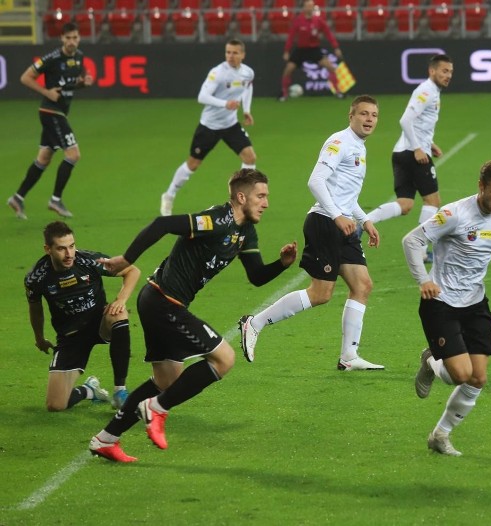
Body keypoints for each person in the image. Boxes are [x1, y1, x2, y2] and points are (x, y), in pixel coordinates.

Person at [89, 169, 298, 463]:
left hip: (160, 301)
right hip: (164, 301)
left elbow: (256, 276)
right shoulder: (215, 220)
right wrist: (127, 259)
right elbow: (162, 224)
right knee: (224, 359)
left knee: (165, 381)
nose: (266, 203)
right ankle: (157, 409)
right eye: (260, 196)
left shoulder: (246, 231)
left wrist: (282, 264)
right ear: (241, 197)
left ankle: (106, 440)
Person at [239, 95, 384, 371]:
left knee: (362, 285)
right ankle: (254, 323)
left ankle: (349, 357)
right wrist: (337, 215)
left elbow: (346, 193)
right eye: (363, 114)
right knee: (321, 293)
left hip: (345, 225)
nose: (369, 120)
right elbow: (315, 181)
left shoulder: (359, 147)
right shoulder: (339, 142)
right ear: (350, 116)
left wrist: (364, 220)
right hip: (325, 222)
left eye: (374, 115)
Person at [402, 159, 491, 456]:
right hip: (440, 302)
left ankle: (440, 435)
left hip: (475, 303)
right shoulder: (454, 214)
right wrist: (423, 280)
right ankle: (431, 361)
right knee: (459, 374)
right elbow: (412, 241)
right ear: (480, 186)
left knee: (478, 377)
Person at [25, 221, 140, 412]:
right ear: (48, 249)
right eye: (61, 249)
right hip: (71, 337)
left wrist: (121, 299)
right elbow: (35, 308)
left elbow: (132, 271)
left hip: (100, 322)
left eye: (72, 246)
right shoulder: (36, 278)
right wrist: (39, 338)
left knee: (119, 314)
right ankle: (89, 390)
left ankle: (120, 391)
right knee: (55, 405)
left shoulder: (88, 261)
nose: (69, 254)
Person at [364, 54, 454, 262]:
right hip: (413, 155)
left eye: (450, 72)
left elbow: (419, 123)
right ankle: (421, 251)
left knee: (405, 204)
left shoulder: (431, 92)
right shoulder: (426, 91)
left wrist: (429, 144)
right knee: (432, 201)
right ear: (432, 71)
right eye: (444, 71)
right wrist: (418, 148)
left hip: (402, 153)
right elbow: (405, 121)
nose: (448, 75)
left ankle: (366, 221)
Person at [7, 22, 93, 220]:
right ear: (61, 38)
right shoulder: (53, 58)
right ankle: (56, 199)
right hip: (50, 111)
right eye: (68, 38)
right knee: (73, 154)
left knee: (44, 158)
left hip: (59, 112)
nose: (72, 41)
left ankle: (18, 198)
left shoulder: (79, 57)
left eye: (75, 37)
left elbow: (69, 86)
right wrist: (46, 92)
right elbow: (25, 77)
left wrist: (83, 83)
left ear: (79, 38)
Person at [160, 39, 256, 216]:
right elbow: (202, 96)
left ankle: (246, 201)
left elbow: (247, 88)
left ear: (243, 54)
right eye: (228, 52)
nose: (230, 56)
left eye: (235, 53)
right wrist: (225, 103)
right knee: (193, 164)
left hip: (230, 124)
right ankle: (169, 195)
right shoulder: (218, 72)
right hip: (209, 126)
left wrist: (247, 110)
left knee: (249, 157)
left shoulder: (247, 73)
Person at [279, 0, 343, 102]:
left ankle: (338, 92)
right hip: (300, 50)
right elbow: (291, 36)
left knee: (331, 67)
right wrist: (286, 51)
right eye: (308, 6)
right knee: (288, 70)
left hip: (314, 50)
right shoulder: (298, 20)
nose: (310, 8)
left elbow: (329, 34)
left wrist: (336, 47)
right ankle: (284, 94)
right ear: (304, 8)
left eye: (311, 6)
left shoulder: (318, 20)